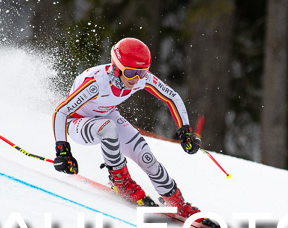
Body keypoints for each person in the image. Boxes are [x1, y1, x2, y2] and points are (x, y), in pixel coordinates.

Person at [51, 37, 203, 218]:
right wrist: (63, 151)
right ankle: (120, 181)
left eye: (142, 73)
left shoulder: (140, 78)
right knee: (107, 128)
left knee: (146, 157)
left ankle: (176, 201)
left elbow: (172, 97)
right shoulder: (96, 82)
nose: (136, 79)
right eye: (130, 73)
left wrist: (185, 132)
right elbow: (61, 112)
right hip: (77, 122)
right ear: (116, 67)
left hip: (107, 115)